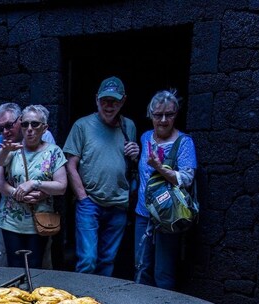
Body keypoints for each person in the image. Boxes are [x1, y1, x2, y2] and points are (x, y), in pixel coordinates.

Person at [63, 76, 140, 276]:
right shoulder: (82, 125)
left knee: (108, 261)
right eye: (105, 100)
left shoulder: (128, 126)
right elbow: (70, 165)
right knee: (88, 260)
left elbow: (132, 166)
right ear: (97, 99)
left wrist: (135, 155)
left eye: (114, 101)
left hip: (118, 203)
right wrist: (82, 197)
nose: (109, 106)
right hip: (90, 202)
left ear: (123, 101)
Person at [134, 90, 197, 290]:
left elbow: (186, 179)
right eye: (157, 115)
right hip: (143, 214)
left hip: (168, 217)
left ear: (175, 115)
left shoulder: (184, 142)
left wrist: (160, 167)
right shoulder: (145, 138)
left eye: (169, 114)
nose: (163, 120)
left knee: (163, 273)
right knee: (141, 268)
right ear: (150, 114)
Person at [0, 104, 67, 268]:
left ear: (44, 128)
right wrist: (6, 151)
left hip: (39, 221)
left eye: (35, 124)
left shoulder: (54, 152)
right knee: (14, 267)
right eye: (25, 124)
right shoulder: (14, 149)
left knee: (35, 267)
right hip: (11, 221)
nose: (29, 129)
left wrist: (35, 184)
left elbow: (61, 186)